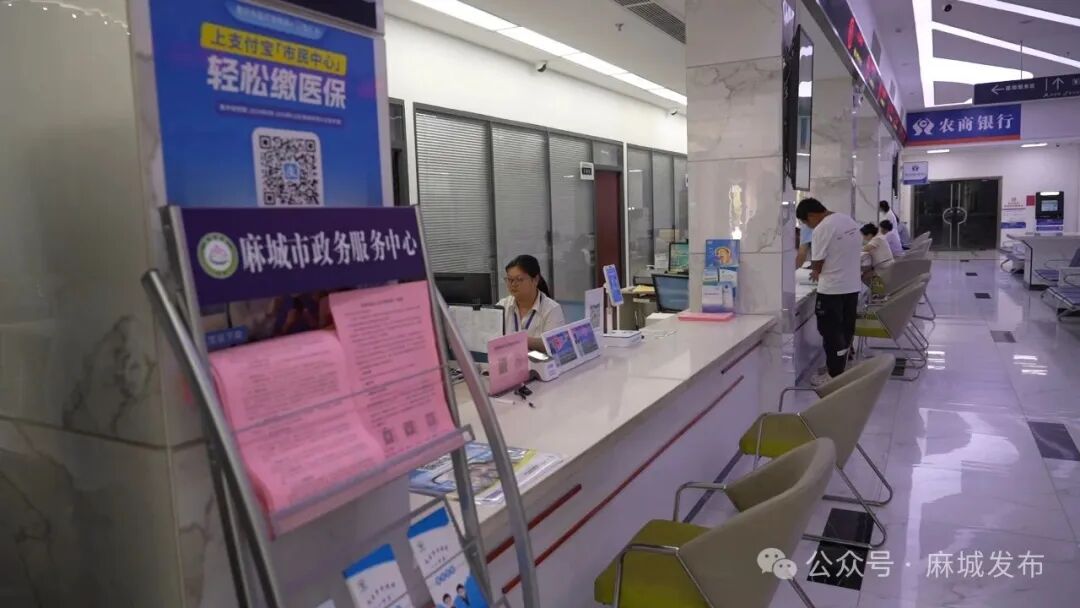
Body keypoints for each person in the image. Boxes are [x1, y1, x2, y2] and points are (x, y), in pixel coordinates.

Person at [796, 198, 863, 386]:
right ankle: (840, 365)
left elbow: (817, 262)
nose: (807, 226)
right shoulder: (848, 221)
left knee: (830, 332)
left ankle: (833, 375)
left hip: (832, 290)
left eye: (806, 222)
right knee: (845, 329)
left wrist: (815, 271)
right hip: (852, 286)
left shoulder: (822, 228)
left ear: (811, 216)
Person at [498, 254, 565, 352]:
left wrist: (524, 341)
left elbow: (556, 345)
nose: (513, 284)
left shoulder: (552, 309)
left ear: (535, 280)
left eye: (519, 279)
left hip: (538, 361)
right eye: (510, 280)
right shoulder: (502, 306)